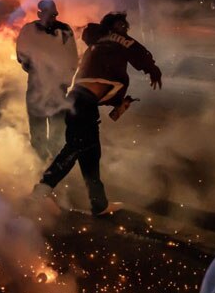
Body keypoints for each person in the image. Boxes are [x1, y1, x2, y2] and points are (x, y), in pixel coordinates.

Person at [31, 12, 162, 215]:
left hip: (82, 103)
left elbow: (103, 85)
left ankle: (99, 204)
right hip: (81, 103)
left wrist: (120, 104)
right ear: (112, 27)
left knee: (91, 154)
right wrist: (153, 70)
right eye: (121, 25)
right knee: (75, 148)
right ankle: (43, 189)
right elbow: (139, 53)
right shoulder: (116, 40)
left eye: (125, 26)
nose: (124, 29)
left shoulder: (99, 42)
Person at [16, 0, 79, 160]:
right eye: (50, 14)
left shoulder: (65, 30)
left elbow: (72, 56)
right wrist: (36, 70)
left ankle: (55, 155)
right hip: (37, 83)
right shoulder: (30, 29)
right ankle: (39, 157)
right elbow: (21, 54)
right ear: (40, 13)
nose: (52, 18)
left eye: (54, 14)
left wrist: (66, 78)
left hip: (58, 84)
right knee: (37, 123)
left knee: (57, 123)